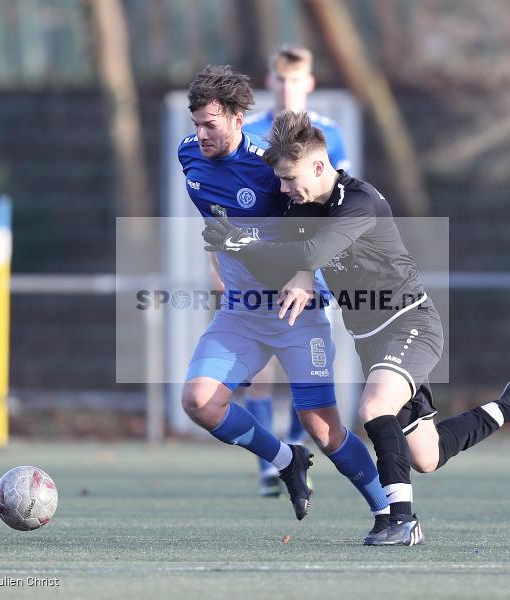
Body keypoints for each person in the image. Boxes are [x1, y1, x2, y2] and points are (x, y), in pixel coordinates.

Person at [203, 110, 510, 546]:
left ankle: (402, 521)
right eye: (278, 180)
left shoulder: (359, 202)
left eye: (289, 178)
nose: (283, 189)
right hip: (371, 340)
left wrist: (244, 243)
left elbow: (314, 249)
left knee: (374, 408)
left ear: (319, 166)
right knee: (426, 456)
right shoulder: (306, 205)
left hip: (408, 323)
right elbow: (288, 253)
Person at [178, 65, 389, 526]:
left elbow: (315, 225)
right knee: (198, 401)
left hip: (296, 312)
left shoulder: (268, 168)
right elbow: (216, 224)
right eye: (195, 124)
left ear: (237, 118)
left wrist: (304, 273)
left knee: (323, 427)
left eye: (210, 124)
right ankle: (285, 461)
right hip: (240, 312)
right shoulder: (188, 155)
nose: (200, 134)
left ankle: (390, 510)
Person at [239, 46, 352, 496]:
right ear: (269, 81)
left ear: (309, 83)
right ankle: (272, 461)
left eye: (296, 80)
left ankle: (293, 446)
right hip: (261, 261)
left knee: (306, 360)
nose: (287, 87)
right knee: (260, 363)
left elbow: (340, 197)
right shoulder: (249, 131)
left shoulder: (329, 133)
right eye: (280, 79)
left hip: (311, 261)